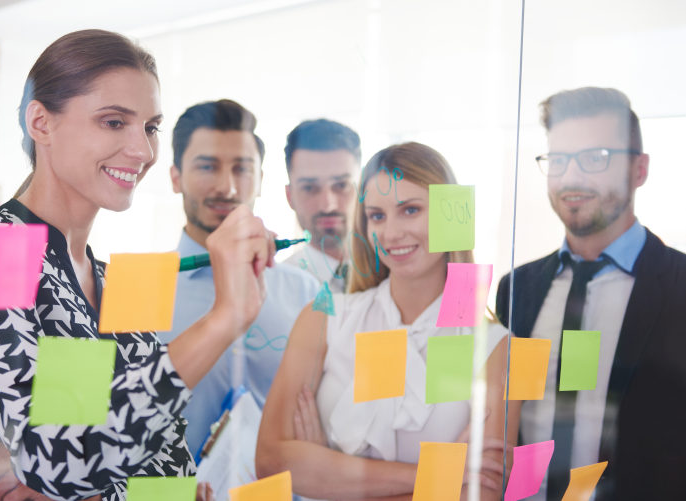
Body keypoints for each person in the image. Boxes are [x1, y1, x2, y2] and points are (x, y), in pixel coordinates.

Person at [0, 30, 275, 501]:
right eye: (114, 122)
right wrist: (222, 319)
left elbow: (157, 466)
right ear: (41, 123)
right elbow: (61, 458)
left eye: (150, 127)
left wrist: (80, 483)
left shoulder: (111, 281)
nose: (144, 151)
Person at [257, 142, 519, 501]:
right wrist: (437, 476)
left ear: (450, 214)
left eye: (410, 210)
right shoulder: (326, 317)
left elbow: (481, 493)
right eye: (377, 216)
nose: (391, 233)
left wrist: (330, 473)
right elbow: (271, 462)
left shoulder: (494, 346)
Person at [495, 87, 686, 500]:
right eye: (559, 160)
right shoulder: (518, 288)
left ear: (639, 170)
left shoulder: (681, 287)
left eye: (595, 158)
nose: (572, 177)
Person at [156, 100, 320, 455]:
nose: (227, 187)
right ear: (175, 177)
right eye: (207, 166)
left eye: (242, 169)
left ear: (260, 180)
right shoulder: (135, 290)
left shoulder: (305, 291)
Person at [282, 119, 361, 293]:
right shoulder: (273, 291)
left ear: (362, 189)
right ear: (290, 197)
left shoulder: (398, 273)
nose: (328, 206)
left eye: (342, 185)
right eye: (309, 188)